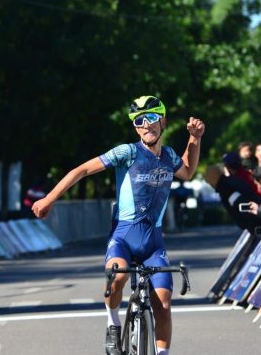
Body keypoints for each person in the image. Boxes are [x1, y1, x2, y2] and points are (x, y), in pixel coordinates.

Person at [31, 95, 204, 355]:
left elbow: (188, 171)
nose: (146, 125)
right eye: (139, 121)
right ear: (135, 127)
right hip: (123, 237)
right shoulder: (127, 152)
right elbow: (82, 170)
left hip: (153, 242)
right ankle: (113, 324)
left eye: (152, 118)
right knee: (118, 276)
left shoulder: (168, 156)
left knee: (164, 305)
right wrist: (50, 198)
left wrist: (195, 139)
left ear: (163, 122)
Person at [203, 165, 261, 234]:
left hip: (257, 223)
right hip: (259, 217)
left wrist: (249, 225)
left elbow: (242, 204)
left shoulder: (226, 189)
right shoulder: (230, 181)